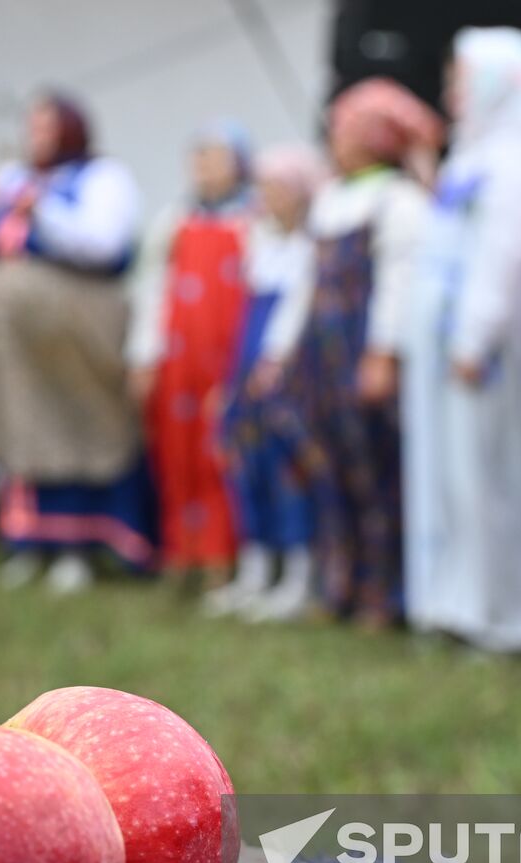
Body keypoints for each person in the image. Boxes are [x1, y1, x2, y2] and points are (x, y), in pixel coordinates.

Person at [403, 29, 521, 653]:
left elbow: (502, 254)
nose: (452, 91)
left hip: (493, 337)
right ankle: (459, 599)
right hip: (457, 333)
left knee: (491, 473)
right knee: (459, 474)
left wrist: (475, 338)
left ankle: (502, 609)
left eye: (462, 78)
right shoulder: (475, 152)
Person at [0, 91, 151, 594]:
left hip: (75, 325)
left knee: (74, 424)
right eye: (32, 127)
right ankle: (28, 541)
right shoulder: (16, 178)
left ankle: (78, 549)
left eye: (46, 127)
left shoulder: (104, 179)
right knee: (23, 425)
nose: (35, 137)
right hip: (17, 340)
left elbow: (103, 245)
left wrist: (43, 213)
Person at [286, 78, 439, 629]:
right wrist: (283, 350)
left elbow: (400, 282)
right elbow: (307, 282)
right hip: (322, 354)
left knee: (378, 472)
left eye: (345, 131)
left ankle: (383, 593)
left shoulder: (399, 200)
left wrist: (383, 353)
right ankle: (339, 583)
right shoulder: (331, 197)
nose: (335, 141)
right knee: (330, 467)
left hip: (361, 350)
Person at [130, 121, 254, 588]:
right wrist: (144, 354)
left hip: (227, 357)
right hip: (178, 358)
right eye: (197, 156)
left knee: (220, 452)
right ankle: (181, 551)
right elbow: (152, 289)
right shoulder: (175, 221)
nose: (204, 167)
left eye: (215, 156)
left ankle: (224, 555)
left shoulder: (252, 221)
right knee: (176, 451)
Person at [204, 145, 323, 622]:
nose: (268, 198)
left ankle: (298, 575)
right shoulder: (262, 247)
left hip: (285, 380)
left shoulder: (310, 250)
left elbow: (297, 318)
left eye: (278, 190)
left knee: (286, 472)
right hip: (245, 377)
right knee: (245, 468)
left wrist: (275, 365)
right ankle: (256, 569)